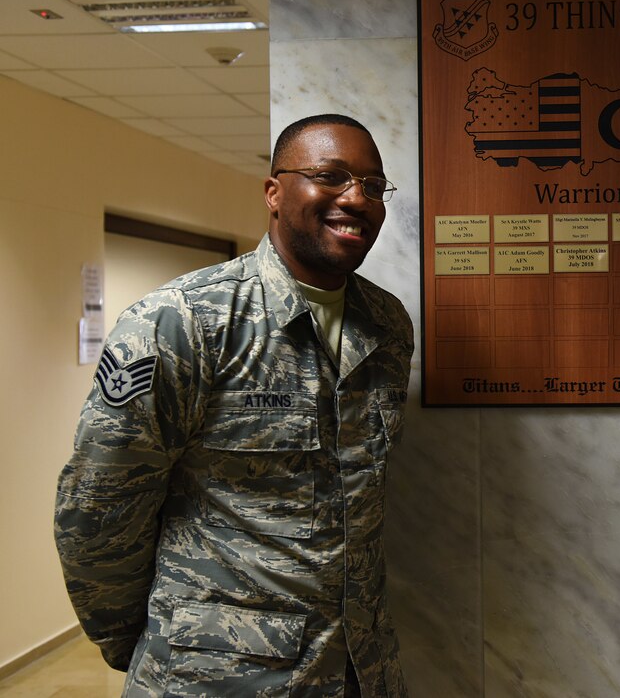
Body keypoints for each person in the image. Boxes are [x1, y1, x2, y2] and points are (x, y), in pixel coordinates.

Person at [54, 114, 413, 697]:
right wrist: (150, 640)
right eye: (331, 176)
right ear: (274, 192)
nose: (356, 198)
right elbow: (98, 510)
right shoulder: (182, 321)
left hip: (358, 670)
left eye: (373, 186)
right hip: (217, 678)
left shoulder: (387, 325)